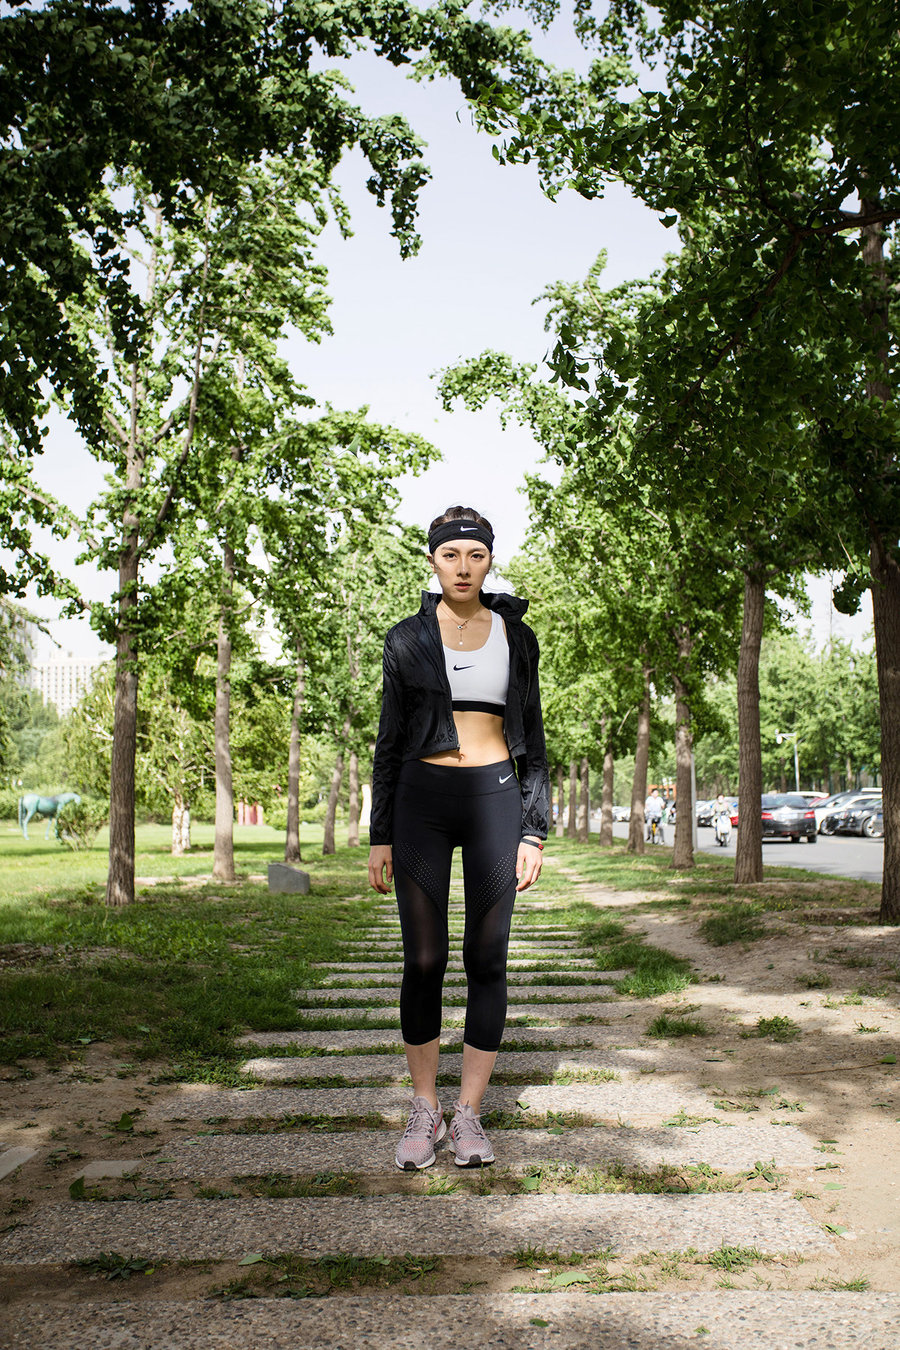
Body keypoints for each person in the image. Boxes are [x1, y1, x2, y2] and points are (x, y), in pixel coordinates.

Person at [368, 506, 549, 1171]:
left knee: (486, 957)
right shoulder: (405, 639)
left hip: (495, 799)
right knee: (424, 959)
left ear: (490, 560)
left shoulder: (516, 637)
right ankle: (425, 1108)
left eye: (476, 554)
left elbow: (533, 735)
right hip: (421, 800)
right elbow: (388, 741)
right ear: (433, 561)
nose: (463, 567)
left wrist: (534, 829)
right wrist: (380, 833)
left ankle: (469, 1112)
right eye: (451, 555)